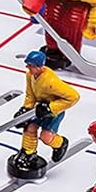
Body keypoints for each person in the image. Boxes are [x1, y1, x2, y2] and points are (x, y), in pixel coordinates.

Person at [7, 50, 79, 180]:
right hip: (39, 109)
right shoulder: (30, 75)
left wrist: (51, 107)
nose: (27, 67)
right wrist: (26, 109)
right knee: (29, 127)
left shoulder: (51, 81)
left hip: (54, 113)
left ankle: (61, 143)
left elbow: (74, 96)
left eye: (30, 65)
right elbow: (30, 94)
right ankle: (28, 153)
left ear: (39, 66)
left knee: (46, 137)